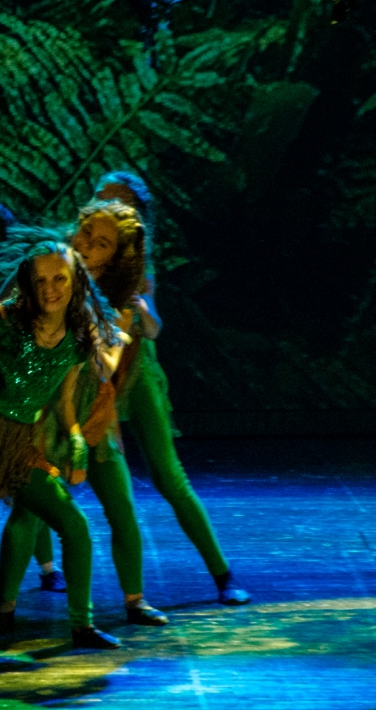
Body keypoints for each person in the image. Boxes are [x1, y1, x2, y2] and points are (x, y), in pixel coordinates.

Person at [0, 242, 123, 649]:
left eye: (59, 279)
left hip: (16, 442)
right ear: (27, 285)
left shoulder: (78, 338)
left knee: (75, 526)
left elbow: (63, 402)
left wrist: (75, 439)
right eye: (40, 280)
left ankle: (82, 625)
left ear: (76, 281)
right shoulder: (7, 318)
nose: (50, 289)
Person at [87, 173, 250, 606]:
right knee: (46, 473)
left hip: (136, 371)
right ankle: (20, 583)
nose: (110, 210)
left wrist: (140, 311)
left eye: (120, 204)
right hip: (88, 377)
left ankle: (223, 574)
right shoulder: (78, 252)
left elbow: (153, 326)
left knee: (168, 475)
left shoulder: (138, 263)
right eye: (103, 201)